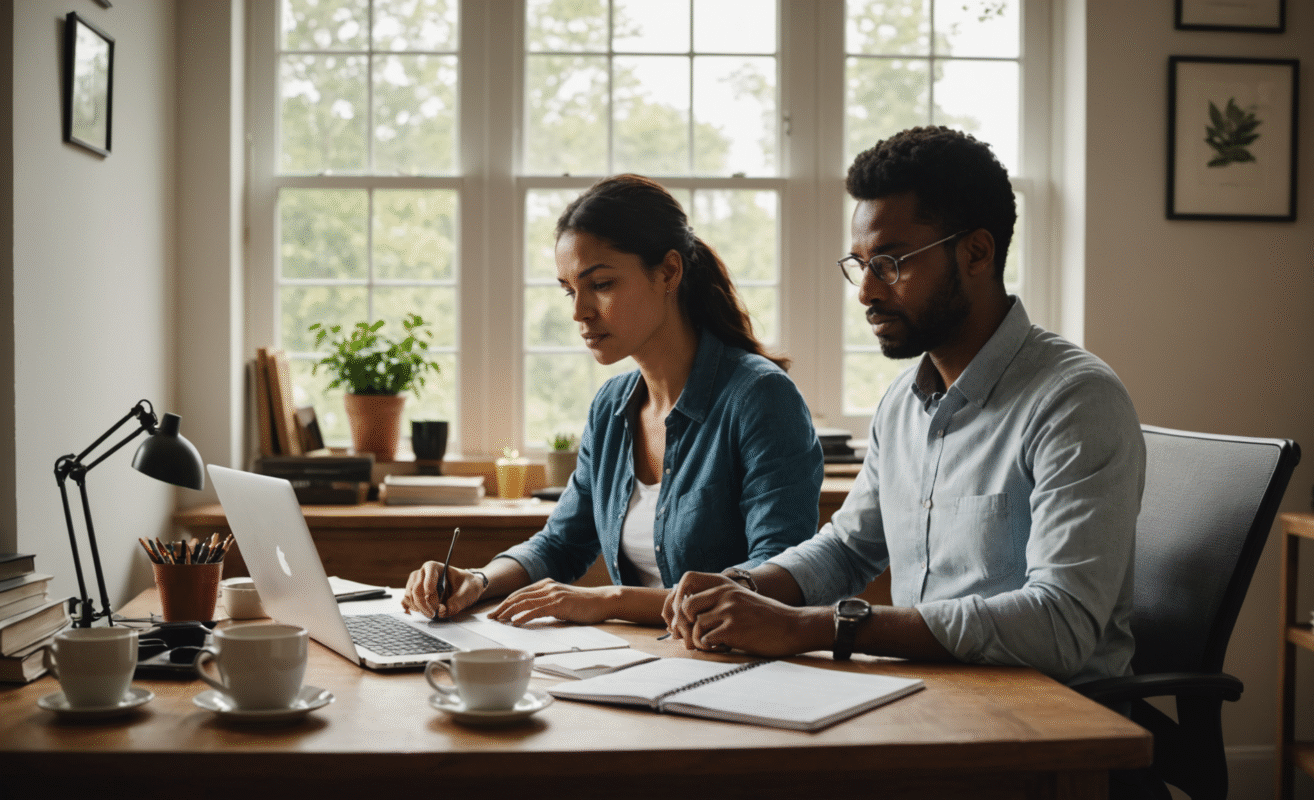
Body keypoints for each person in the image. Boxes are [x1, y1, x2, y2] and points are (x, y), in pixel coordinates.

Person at [662, 126, 1146, 688]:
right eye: (859, 264)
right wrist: (746, 587)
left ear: (976, 253)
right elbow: (848, 549)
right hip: (930, 693)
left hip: (1049, 726)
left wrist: (816, 627)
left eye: (890, 263)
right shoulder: (902, 403)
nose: (866, 291)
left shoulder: (1074, 401)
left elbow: (1060, 626)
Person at [402, 174, 824, 627]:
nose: (579, 311)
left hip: (738, 672)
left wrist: (609, 601)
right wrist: (478, 580)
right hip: (644, 664)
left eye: (600, 284)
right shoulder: (612, 406)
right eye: (569, 289)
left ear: (669, 272)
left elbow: (772, 582)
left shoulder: (759, 397)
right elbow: (560, 544)